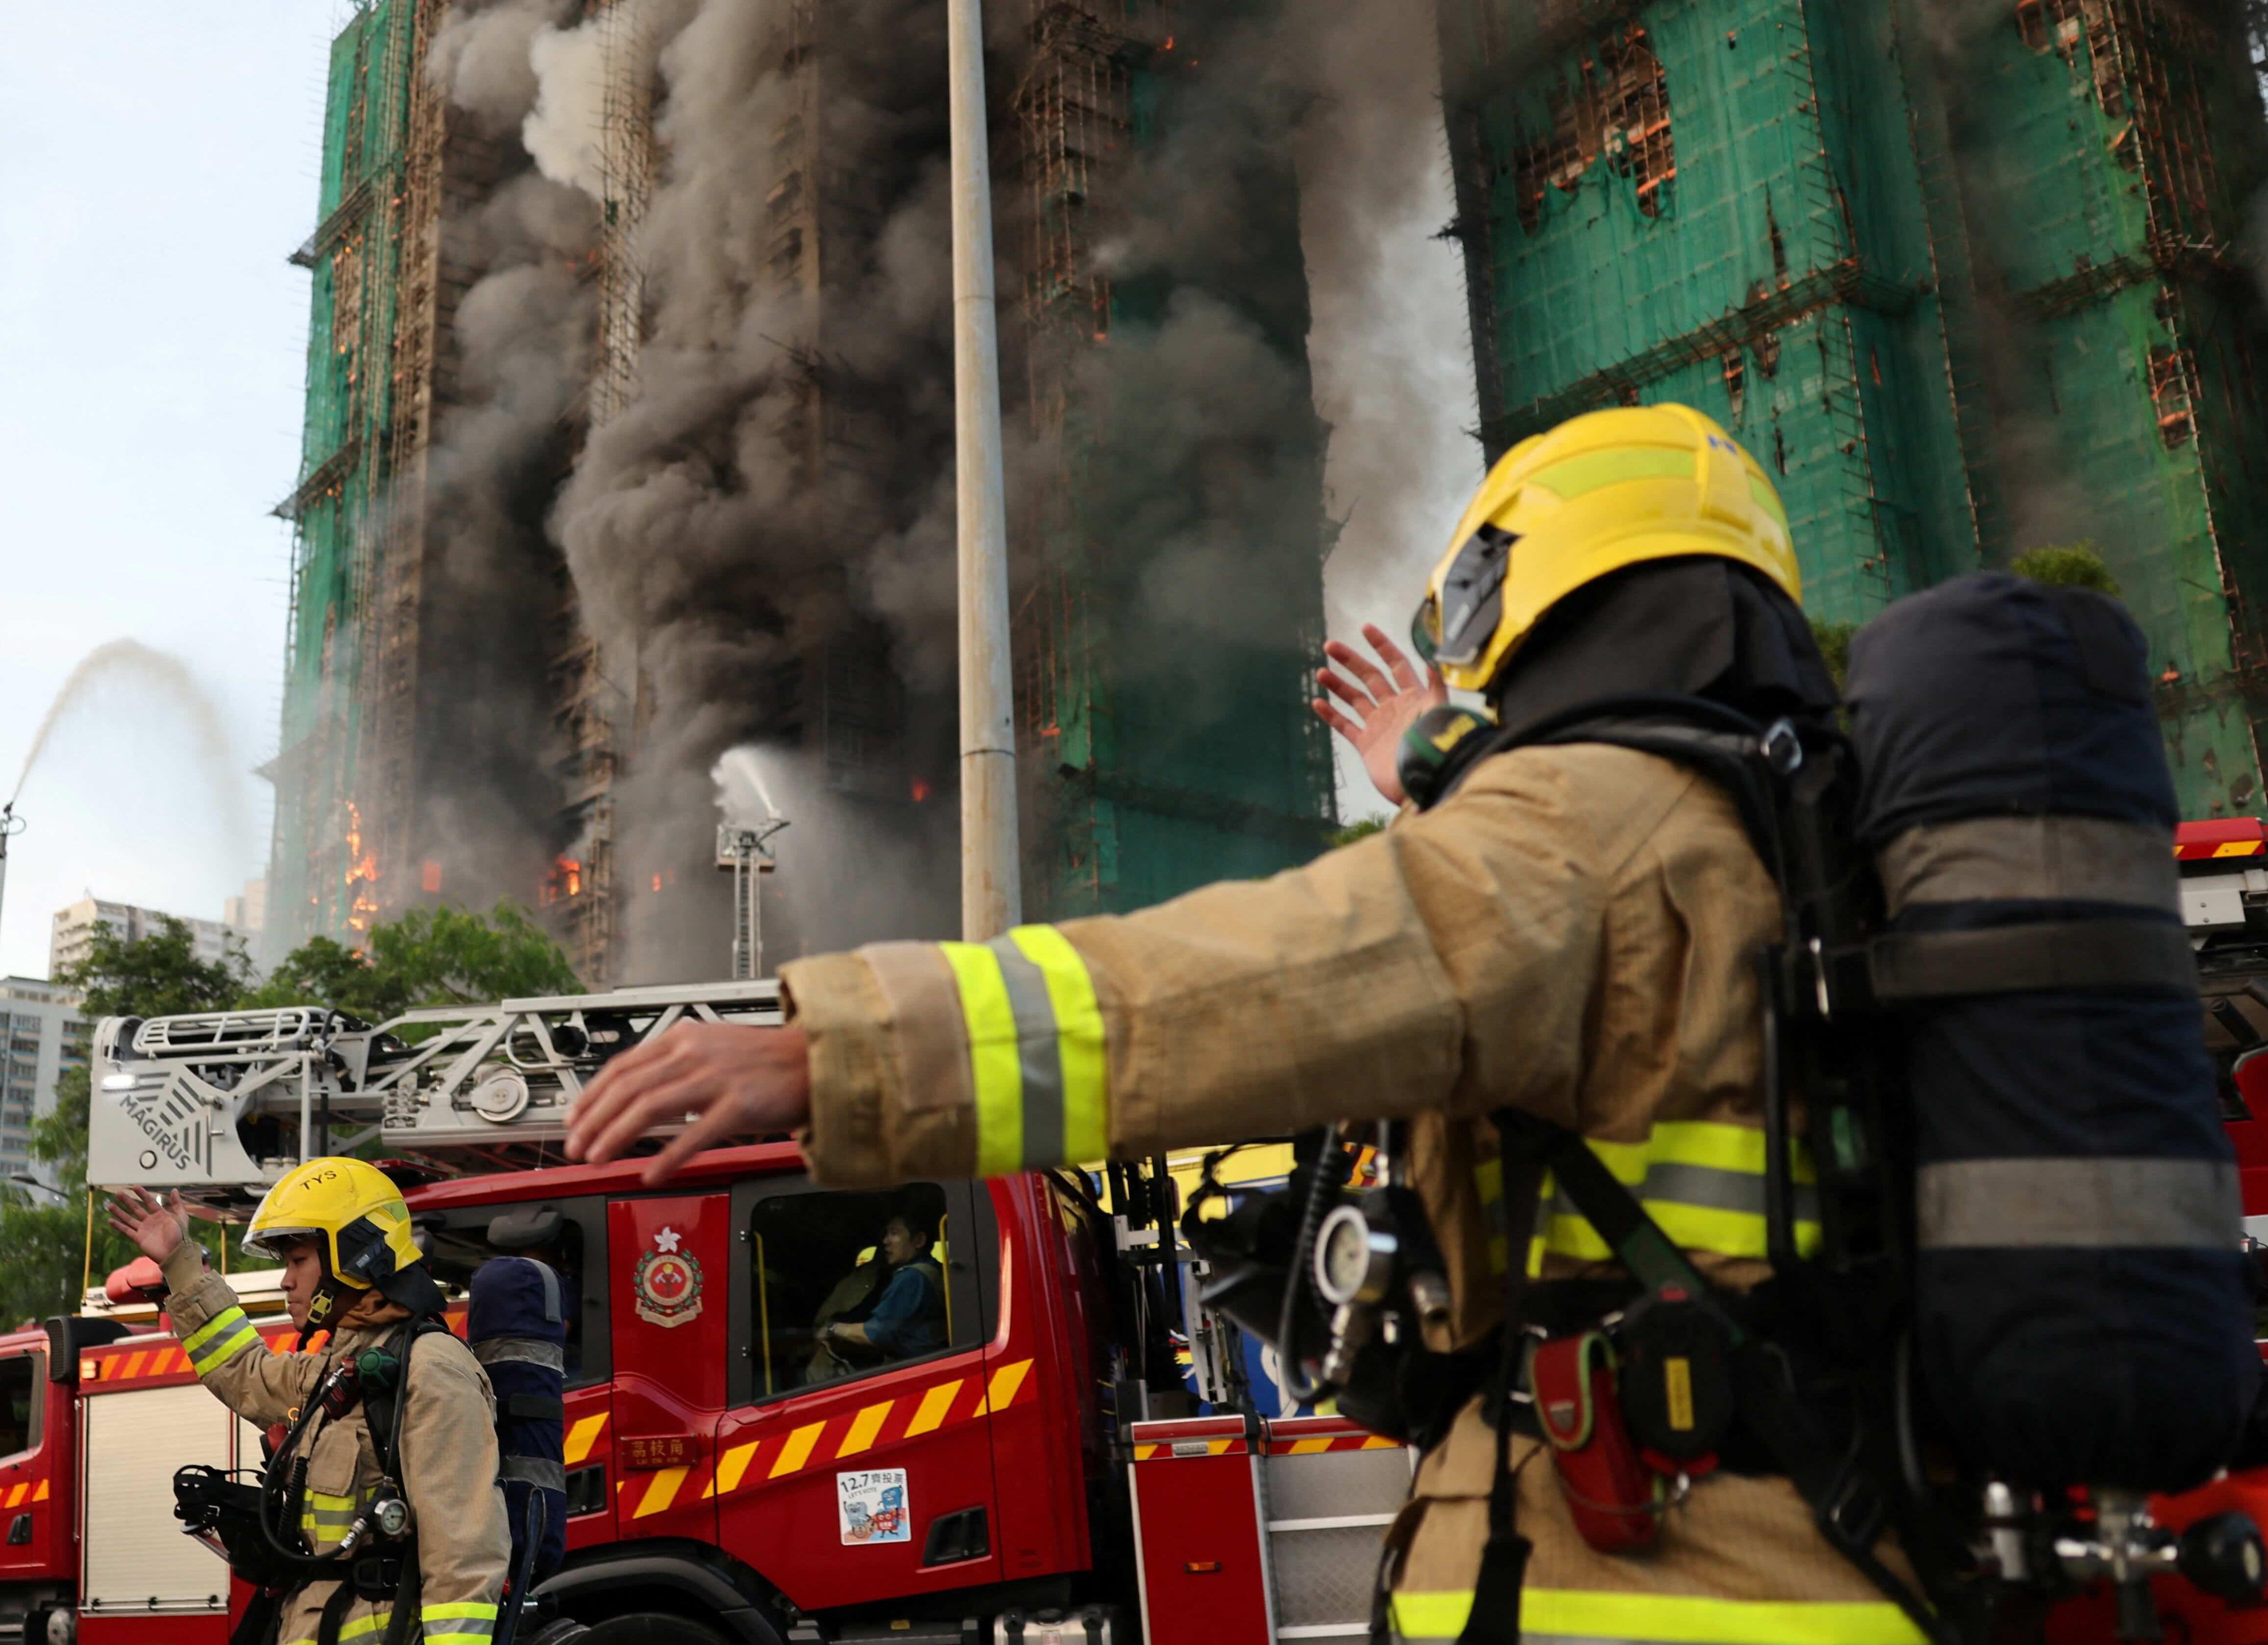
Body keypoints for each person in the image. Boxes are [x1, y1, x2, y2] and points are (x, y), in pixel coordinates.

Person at [561, 403, 1919, 1645]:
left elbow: (1250, 986)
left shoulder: (1584, 831)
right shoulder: (1831, 840)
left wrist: (847, 1050)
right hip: (1854, 1557)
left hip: (1636, 1586)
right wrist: (1444, 791)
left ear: (1531, 598)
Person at [108, 1159, 509, 1645]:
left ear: (356, 1257)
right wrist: (180, 1263)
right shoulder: (338, 1368)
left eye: (298, 1261)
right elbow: (243, 1371)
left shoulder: (429, 1369)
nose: (286, 1281)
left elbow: (462, 1556)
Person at [806, 1192, 948, 1378]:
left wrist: (832, 1328)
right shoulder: (931, 1270)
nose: (885, 1241)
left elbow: (878, 1333)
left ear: (919, 1241)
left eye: (894, 1233)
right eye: (886, 1234)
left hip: (914, 1371)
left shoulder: (912, 1278)